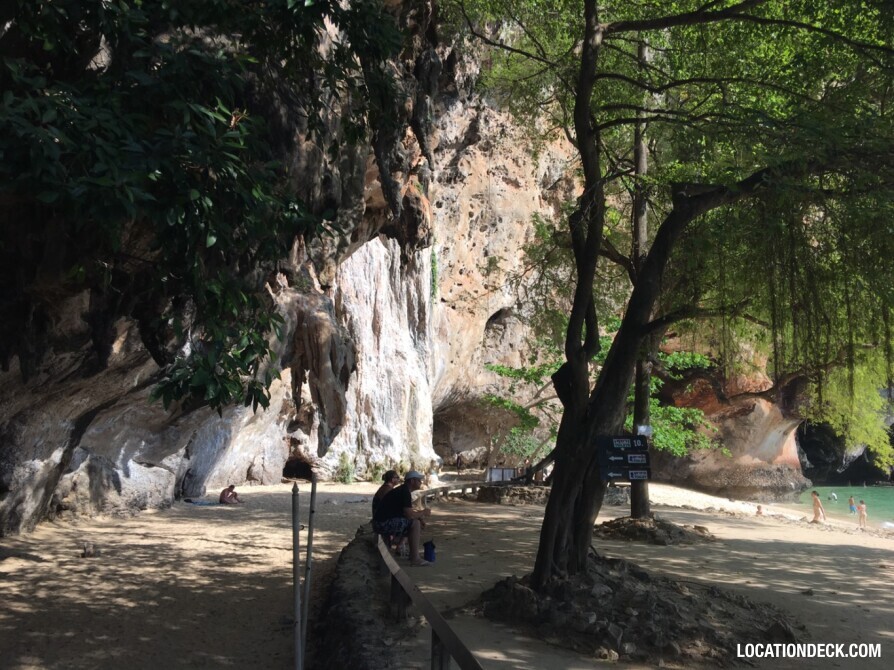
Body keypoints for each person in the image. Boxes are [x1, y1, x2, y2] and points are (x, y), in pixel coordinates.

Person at [373, 471, 432, 566]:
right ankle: (415, 558)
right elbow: (410, 515)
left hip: (380, 522)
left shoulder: (402, 490)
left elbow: (406, 512)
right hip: (382, 523)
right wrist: (423, 512)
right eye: (419, 480)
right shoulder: (405, 492)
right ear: (412, 481)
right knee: (415, 524)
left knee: (415, 522)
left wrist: (420, 517)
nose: (421, 482)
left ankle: (409, 552)